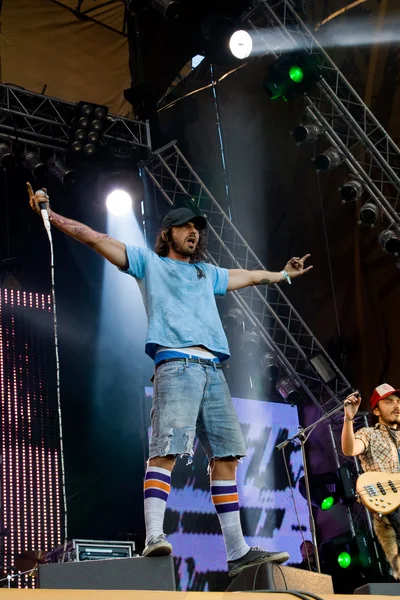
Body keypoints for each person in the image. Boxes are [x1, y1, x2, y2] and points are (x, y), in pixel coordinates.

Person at [27, 183, 313, 577]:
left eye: (198, 227)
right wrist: (52, 215)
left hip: (214, 371)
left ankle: (236, 551)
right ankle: (154, 535)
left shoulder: (206, 273)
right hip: (176, 365)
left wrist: (282, 274)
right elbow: (96, 238)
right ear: (169, 233)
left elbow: (245, 276)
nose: (194, 232)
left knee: (227, 457)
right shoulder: (149, 263)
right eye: (185, 227)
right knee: (166, 450)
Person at [342, 383, 400, 580]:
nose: (397, 405)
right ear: (376, 409)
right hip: (388, 509)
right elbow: (349, 449)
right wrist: (349, 418)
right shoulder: (369, 434)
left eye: (399, 401)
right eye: (389, 401)